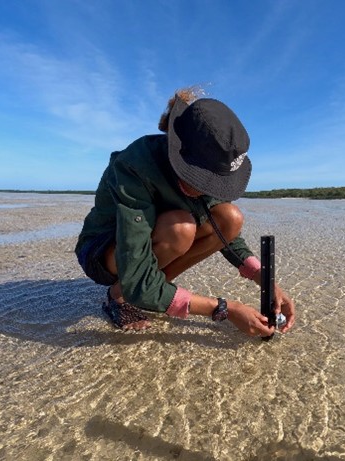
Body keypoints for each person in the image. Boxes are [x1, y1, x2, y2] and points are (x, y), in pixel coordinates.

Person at [75, 87, 295, 337]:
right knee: (180, 228)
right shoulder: (133, 166)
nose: (206, 189)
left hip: (155, 241)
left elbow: (226, 235)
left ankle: (153, 292)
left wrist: (265, 280)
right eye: (200, 179)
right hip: (103, 251)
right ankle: (120, 295)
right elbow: (138, 262)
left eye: (213, 182)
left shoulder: (208, 162)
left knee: (231, 218)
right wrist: (226, 309)